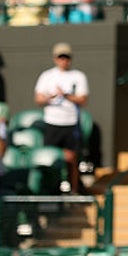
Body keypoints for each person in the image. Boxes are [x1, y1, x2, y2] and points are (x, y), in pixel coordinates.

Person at [33, 42, 88, 194]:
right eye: (60, 57)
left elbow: (83, 100)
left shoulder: (78, 76)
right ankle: (51, 191)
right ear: (55, 58)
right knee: (50, 160)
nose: (63, 60)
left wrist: (66, 95)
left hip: (71, 124)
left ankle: (74, 191)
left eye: (66, 57)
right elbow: (38, 99)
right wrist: (50, 97)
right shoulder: (47, 76)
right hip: (52, 124)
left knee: (73, 160)